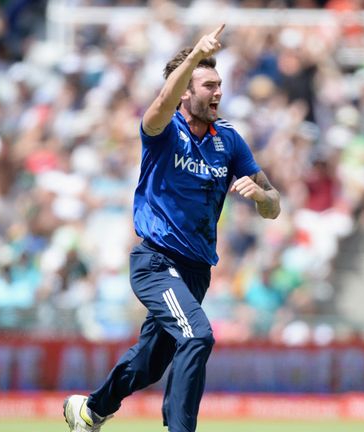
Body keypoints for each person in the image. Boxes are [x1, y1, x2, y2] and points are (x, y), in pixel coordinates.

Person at [63, 24, 281, 432]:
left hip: (196, 271)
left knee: (148, 364)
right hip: (155, 262)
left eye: (220, 84)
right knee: (198, 335)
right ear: (186, 91)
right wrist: (196, 52)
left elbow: (274, 206)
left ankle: (90, 410)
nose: (218, 92)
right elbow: (162, 100)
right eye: (207, 84)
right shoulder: (163, 131)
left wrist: (262, 197)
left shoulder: (229, 141)